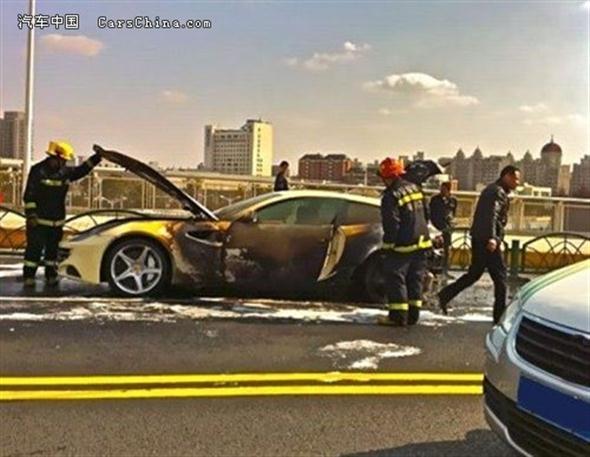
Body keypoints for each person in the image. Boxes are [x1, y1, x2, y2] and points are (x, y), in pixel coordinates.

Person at [438, 165, 521, 324]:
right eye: (515, 179)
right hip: (487, 240)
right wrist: (492, 238)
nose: (517, 182)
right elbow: (491, 215)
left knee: (474, 274)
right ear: (506, 177)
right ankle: (499, 317)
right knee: (500, 278)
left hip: (481, 237)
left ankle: (444, 295)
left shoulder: (495, 190)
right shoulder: (496, 192)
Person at [22, 141, 103, 288]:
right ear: (55, 157)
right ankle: (29, 277)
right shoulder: (38, 171)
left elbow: (82, 170)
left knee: (52, 253)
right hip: (38, 222)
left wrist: (97, 158)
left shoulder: (64, 172)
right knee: (34, 251)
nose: (64, 162)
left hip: (56, 222)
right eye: (63, 160)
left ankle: (51, 276)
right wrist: (31, 215)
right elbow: (29, 195)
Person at [377, 157, 432, 327]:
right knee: (415, 279)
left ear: (387, 177)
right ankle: (413, 315)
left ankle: (398, 316)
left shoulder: (390, 195)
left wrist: (388, 247)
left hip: (404, 244)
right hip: (422, 242)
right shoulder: (414, 188)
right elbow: (426, 214)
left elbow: (392, 225)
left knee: (396, 277)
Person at [429, 182, 457, 275]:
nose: (442, 191)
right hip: (436, 227)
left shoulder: (453, 200)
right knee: (435, 248)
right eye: (441, 189)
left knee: (446, 249)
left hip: (447, 228)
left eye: (444, 189)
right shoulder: (434, 199)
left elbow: (453, 213)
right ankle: (434, 268)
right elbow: (431, 213)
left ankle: (445, 269)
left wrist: (451, 223)